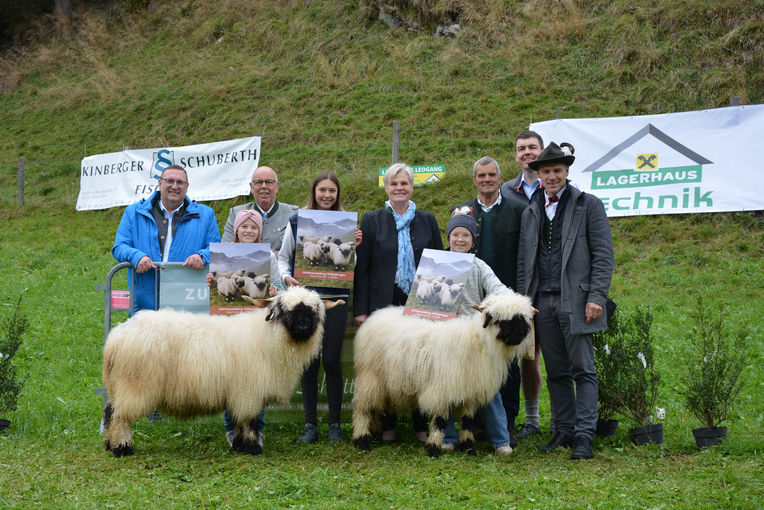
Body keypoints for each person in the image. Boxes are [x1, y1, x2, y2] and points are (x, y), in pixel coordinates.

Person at [517, 142, 614, 460]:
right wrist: (523, 304)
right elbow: (523, 261)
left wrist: (596, 296)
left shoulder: (589, 205)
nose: (552, 176)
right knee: (557, 371)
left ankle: (585, 435)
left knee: (583, 370)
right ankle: (564, 430)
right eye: (546, 171)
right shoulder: (531, 210)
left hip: (577, 300)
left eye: (557, 170)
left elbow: (603, 255)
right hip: (541, 302)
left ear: (567, 171)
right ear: (539, 175)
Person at [353, 162, 443, 443]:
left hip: (420, 300)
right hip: (384, 299)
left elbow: (439, 263)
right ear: (387, 187)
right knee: (386, 363)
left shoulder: (427, 220)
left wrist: (441, 307)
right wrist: (361, 310)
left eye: (404, 183)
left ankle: (419, 422)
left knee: (419, 360)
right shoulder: (372, 220)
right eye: (394, 184)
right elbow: (362, 268)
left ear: (412, 187)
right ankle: (388, 423)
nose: (399, 188)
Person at [278, 172, 361, 444]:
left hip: (336, 300)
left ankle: (335, 424)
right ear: (314, 192)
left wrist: (355, 247)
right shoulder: (296, 222)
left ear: (338, 194)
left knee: (333, 360)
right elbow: (282, 257)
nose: (327, 195)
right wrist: (287, 277)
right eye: (322, 190)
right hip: (306, 301)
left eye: (332, 191)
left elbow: (351, 266)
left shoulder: (347, 224)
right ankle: (310, 425)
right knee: (310, 362)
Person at [451, 156, 527, 445]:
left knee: (505, 367)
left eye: (491, 174)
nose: (486, 179)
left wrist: (515, 299)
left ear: (499, 177)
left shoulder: (519, 210)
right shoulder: (463, 211)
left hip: (502, 302)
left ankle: (506, 426)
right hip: (464, 315)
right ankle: (469, 426)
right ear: (474, 179)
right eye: (481, 175)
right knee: (464, 372)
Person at [440, 213, 514, 455]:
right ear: (448, 237)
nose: (460, 239)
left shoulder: (479, 266)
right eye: (455, 234)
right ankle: (449, 436)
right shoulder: (436, 262)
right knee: (447, 387)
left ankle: (501, 439)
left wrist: (494, 305)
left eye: (466, 235)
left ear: (473, 240)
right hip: (444, 335)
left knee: (487, 387)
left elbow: (499, 290)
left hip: (474, 335)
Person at [211, 209, 284, 449]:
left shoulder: (268, 257)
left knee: (256, 378)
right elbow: (216, 283)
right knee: (230, 375)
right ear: (237, 230)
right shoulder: (223, 253)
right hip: (228, 327)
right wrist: (211, 283)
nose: (249, 231)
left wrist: (274, 291)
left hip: (256, 328)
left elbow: (279, 284)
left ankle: (255, 428)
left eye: (254, 228)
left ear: (259, 232)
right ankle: (232, 428)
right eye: (244, 227)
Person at [113, 164, 220, 313]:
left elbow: (216, 249)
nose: (174, 186)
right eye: (170, 181)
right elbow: (119, 247)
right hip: (146, 300)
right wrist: (137, 257)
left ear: (187, 186)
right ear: (160, 183)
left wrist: (202, 256)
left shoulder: (206, 214)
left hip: (187, 301)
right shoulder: (134, 212)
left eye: (180, 182)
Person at [500, 130, 546, 440]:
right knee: (527, 357)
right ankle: (532, 420)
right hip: (519, 286)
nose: (526, 152)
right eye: (521, 148)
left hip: (552, 284)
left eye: (532, 147)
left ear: (542, 152)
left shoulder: (557, 185)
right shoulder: (506, 190)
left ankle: (568, 419)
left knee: (555, 357)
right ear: (516, 155)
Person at [221, 166, 298, 251]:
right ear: (251, 187)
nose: (264, 186)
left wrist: (277, 257)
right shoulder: (236, 213)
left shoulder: (293, 214)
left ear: (277, 187)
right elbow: (225, 249)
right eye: (258, 182)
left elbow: (300, 252)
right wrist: (264, 254)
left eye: (269, 182)